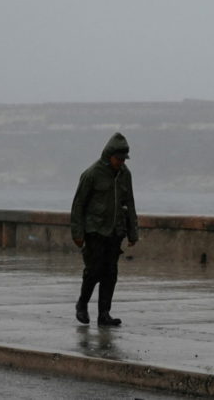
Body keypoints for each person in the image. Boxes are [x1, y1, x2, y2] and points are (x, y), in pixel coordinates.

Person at [71, 132, 138, 326]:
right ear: (109, 155)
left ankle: (104, 314)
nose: (121, 162)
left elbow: (130, 203)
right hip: (95, 231)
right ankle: (82, 305)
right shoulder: (91, 174)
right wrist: (77, 233)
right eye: (118, 159)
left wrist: (133, 232)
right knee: (93, 271)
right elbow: (78, 205)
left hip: (115, 232)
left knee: (110, 274)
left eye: (124, 159)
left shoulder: (125, 175)